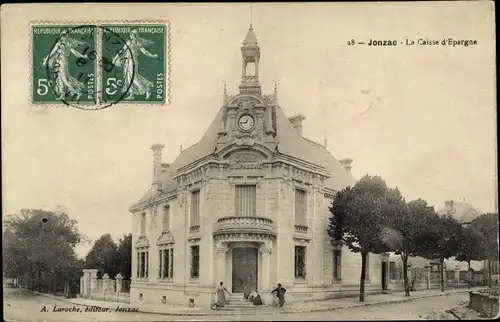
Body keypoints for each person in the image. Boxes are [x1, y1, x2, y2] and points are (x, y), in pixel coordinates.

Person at [112, 29, 158, 100]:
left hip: (133, 61)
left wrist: (153, 56)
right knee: (128, 78)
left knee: (134, 77)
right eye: (130, 34)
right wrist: (115, 58)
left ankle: (147, 90)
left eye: (132, 34)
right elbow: (122, 51)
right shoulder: (128, 42)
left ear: (135, 35)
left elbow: (145, 52)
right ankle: (131, 94)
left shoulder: (138, 43)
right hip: (127, 61)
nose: (131, 36)